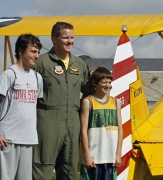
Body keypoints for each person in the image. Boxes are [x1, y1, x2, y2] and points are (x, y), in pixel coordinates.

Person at [32, 22, 89, 180]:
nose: (70, 41)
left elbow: (89, 93)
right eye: (65, 38)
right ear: (54, 39)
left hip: (73, 122)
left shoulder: (80, 65)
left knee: (70, 170)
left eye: (72, 37)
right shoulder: (41, 63)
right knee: (42, 169)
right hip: (46, 122)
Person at [0, 34, 43, 180]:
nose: (36, 56)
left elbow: (33, 109)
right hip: (7, 138)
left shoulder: (37, 77)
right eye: (32, 51)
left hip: (27, 138)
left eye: (38, 52)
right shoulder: (9, 75)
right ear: (20, 51)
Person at [80, 67, 123, 180]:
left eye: (109, 82)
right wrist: (87, 155)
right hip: (93, 158)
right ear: (94, 83)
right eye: (103, 82)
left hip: (110, 158)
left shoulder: (116, 102)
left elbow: (120, 130)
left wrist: (118, 154)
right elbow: (83, 130)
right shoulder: (87, 101)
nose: (107, 85)